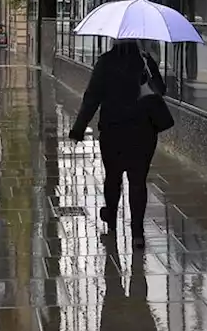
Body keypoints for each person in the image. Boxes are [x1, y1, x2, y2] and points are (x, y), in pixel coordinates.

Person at [69, 39, 165, 248]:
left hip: (113, 131)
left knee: (113, 176)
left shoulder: (105, 63)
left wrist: (78, 128)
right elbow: (161, 90)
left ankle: (111, 217)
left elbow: (91, 98)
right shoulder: (145, 61)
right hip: (144, 132)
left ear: (114, 39)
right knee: (138, 181)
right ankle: (137, 233)